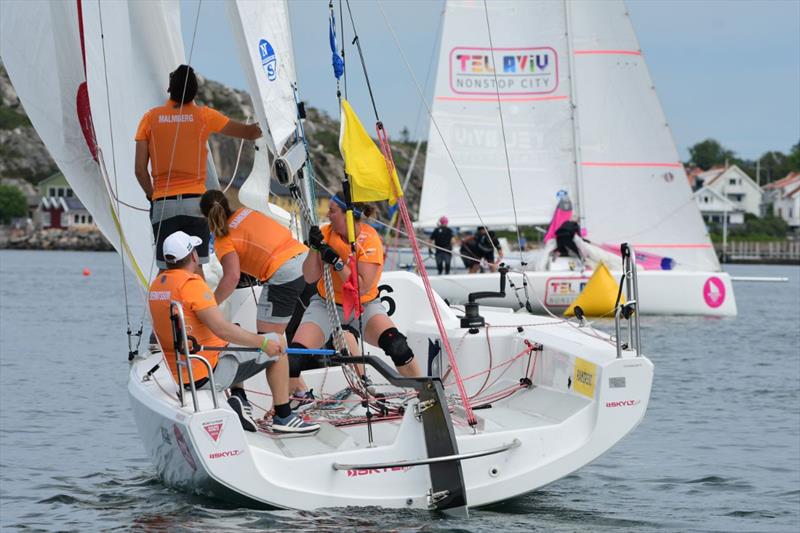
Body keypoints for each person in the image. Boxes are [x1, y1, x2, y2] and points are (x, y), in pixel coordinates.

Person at [148, 230, 319, 434]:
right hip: (207, 372)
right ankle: (283, 416)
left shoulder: (158, 285)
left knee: (237, 329)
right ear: (193, 256)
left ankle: (240, 398)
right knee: (278, 344)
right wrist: (263, 342)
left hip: (183, 372)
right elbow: (221, 329)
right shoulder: (190, 285)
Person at [288, 193, 422, 396]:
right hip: (327, 305)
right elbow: (309, 276)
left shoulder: (369, 240)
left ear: (347, 216)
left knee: (397, 346)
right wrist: (314, 249)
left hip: (363, 306)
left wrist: (337, 262)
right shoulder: (325, 233)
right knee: (294, 358)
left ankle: (423, 395)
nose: (328, 215)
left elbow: (362, 288)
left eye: (332, 211)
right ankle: (287, 407)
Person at [135, 64, 262, 275]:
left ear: (169, 90)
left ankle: (165, 307)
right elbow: (250, 133)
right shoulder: (204, 116)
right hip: (196, 204)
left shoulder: (149, 118)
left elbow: (139, 170)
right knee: (196, 268)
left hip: (163, 204)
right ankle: (199, 306)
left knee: (167, 271)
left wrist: (153, 196)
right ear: (195, 91)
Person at [200, 190, 308, 335]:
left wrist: (211, 306)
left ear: (206, 216)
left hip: (283, 273)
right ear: (227, 203)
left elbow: (232, 277)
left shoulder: (223, 240)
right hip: (306, 260)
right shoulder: (246, 212)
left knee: (269, 342)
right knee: (304, 328)